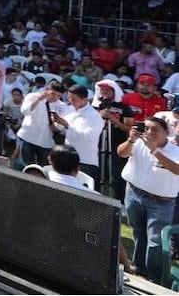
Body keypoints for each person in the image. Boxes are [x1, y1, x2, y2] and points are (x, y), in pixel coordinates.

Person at [118, 116, 179, 284]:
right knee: (138, 232)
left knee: (155, 242)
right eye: (146, 128)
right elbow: (121, 153)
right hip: (134, 194)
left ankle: (155, 278)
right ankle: (140, 268)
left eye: (155, 129)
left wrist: (154, 151)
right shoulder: (138, 143)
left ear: (166, 132)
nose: (150, 132)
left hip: (161, 202)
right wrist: (131, 140)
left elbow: (176, 169)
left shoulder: (175, 151)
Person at [51, 84, 105, 190]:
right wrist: (58, 123)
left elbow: (90, 136)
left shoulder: (94, 116)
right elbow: (63, 129)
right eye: (69, 98)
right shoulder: (69, 109)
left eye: (74, 99)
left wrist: (68, 125)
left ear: (85, 99)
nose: (70, 101)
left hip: (85, 160)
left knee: (84, 191)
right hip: (67, 156)